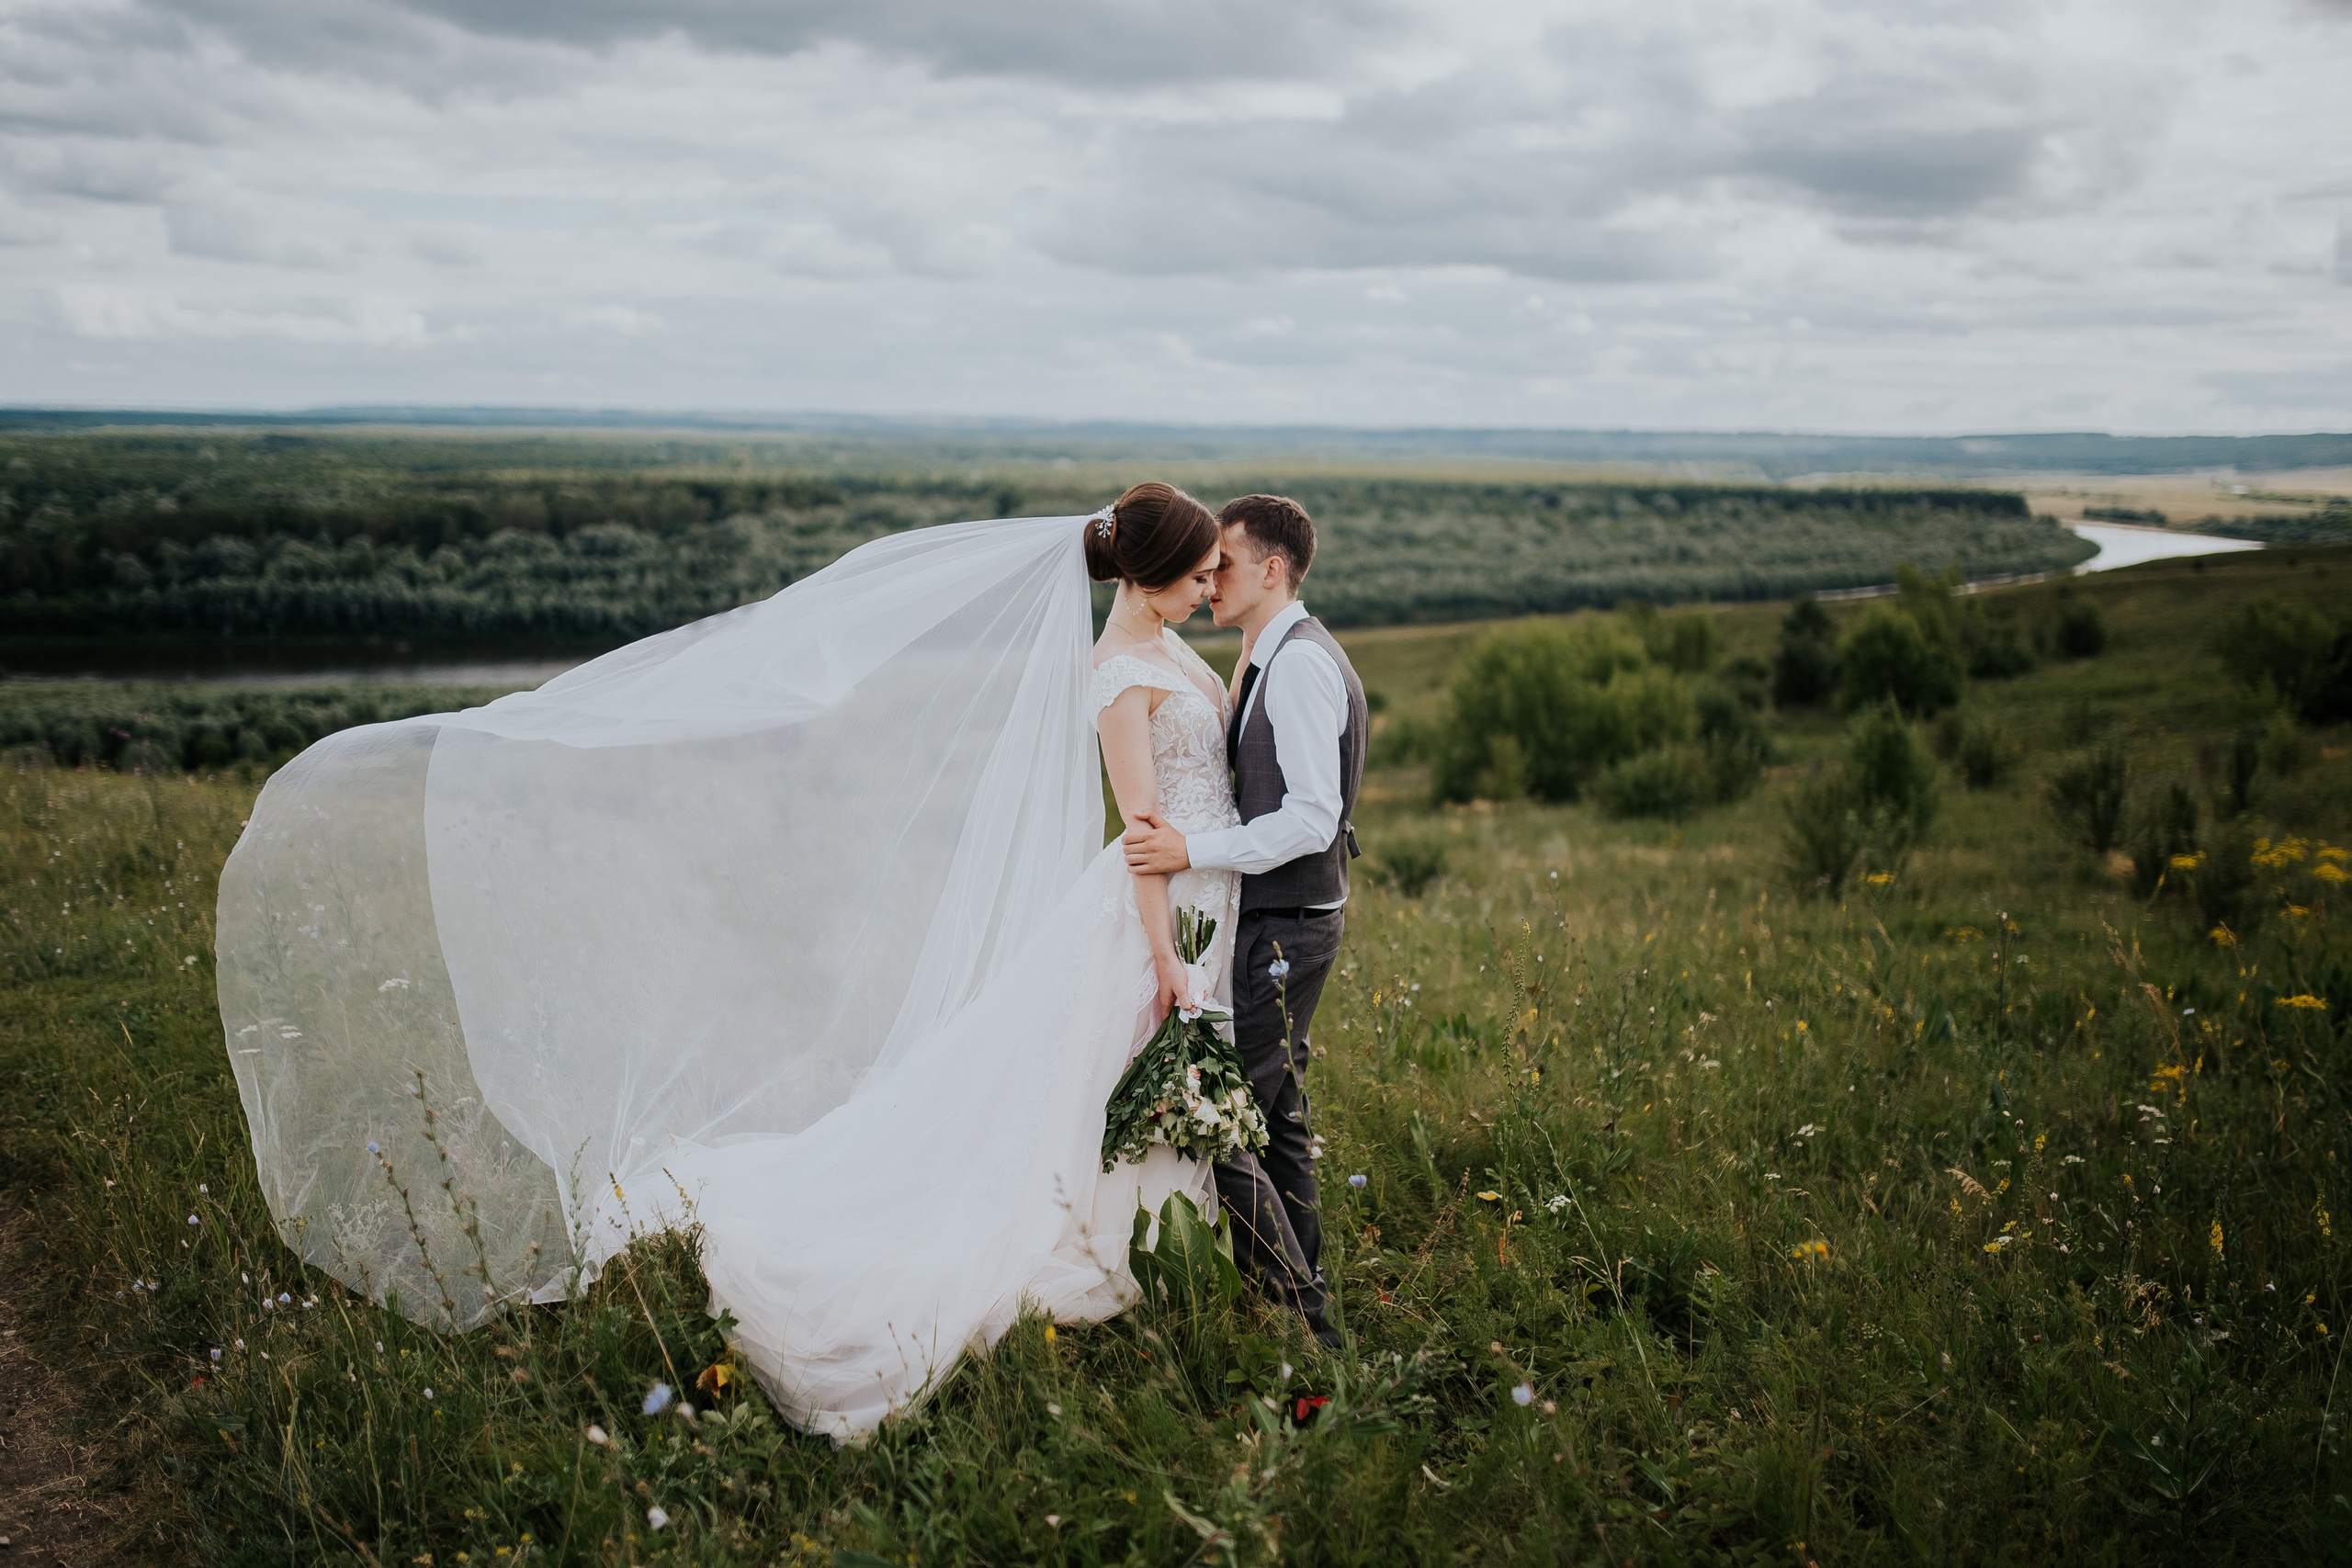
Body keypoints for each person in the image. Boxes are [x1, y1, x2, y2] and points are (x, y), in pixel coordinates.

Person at [215, 483, 1261, 1442]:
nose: (1212, 584)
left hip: (1203, 896)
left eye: (1219, 570)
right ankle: (1112, 1242)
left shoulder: (1167, 645)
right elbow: (1142, 829)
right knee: (1099, 1072)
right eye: (1200, 570)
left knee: (1104, 1078)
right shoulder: (1123, 669)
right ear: (1146, 573)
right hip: (1154, 914)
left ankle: (1162, 1234)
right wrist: (1166, 954)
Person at [1121, 494, 1367, 1347]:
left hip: (1283, 921)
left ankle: (1306, 1325)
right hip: (1277, 917)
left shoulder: (1296, 665)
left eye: (1224, 563)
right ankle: (1312, 1293)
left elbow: (1310, 817)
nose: (1209, 577)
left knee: (1223, 1120)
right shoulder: (1266, 655)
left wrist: (1193, 850)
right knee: (1276, 1114)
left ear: (1272, 570)